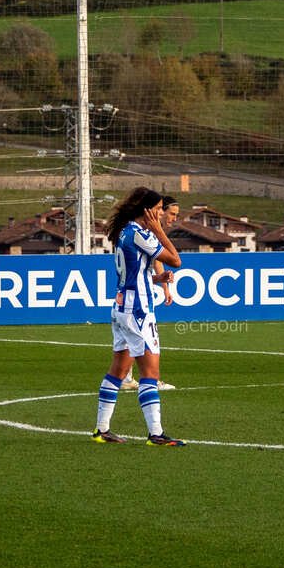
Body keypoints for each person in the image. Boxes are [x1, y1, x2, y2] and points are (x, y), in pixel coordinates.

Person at [92, 187, 186, 446]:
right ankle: (155, 433)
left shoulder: (125, 232)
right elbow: (175, 260)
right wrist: (159, 231)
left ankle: (102, 430)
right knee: (150, 372)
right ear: (145, 210)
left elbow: (135, 273)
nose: (159, 213)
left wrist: (157, 278)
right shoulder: (141, 234)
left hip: (122, 306)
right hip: (138, 311)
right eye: (156, 209)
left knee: (119, 370)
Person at [123, 195, 180, 391]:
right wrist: (163, 285)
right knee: (144, 337)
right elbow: (165, 259)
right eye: (170, 212)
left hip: (128, 295)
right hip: (137, 298)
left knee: (132, 335)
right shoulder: (148, 231)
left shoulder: (136, 230)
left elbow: (154, 260)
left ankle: (127, 377)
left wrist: (162, 284)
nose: (172, 218)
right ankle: (150, 380)